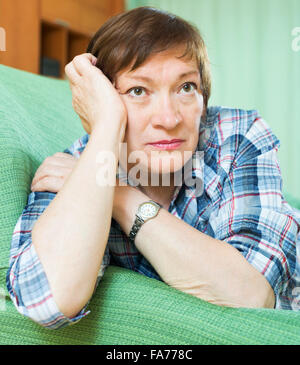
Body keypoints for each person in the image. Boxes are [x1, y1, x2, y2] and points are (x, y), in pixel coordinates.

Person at [6, 6, 300, 329]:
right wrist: (105, 125)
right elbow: (49, 300)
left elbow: (251, 295)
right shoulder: (79, 165)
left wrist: (120, 197)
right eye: (138, 91)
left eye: (186, 87)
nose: (170, 119)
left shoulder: (238, 134)